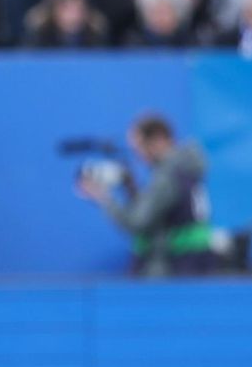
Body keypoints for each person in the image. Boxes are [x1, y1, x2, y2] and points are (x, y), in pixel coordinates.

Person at [78, 115, 218, 276]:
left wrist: (103, 198)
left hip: (175, 269)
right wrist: (129, 187)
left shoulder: (166, 176)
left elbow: (137, 223)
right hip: (197, 264)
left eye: (139, 147)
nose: (139, 155)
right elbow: (164, 215)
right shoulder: (186, 168)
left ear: (158, 140)